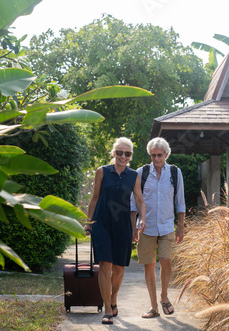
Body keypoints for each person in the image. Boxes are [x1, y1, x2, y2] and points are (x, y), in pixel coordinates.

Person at [84, 137, 146, 325]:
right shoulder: (102, 171)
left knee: (119, 268)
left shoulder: (134, 175)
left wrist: (142, 219)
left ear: (131, 156)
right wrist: (89, 223)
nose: (123, 156)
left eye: (127, 153)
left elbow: (140, 200)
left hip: (122, 226)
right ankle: (107, 309)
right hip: (102, 223)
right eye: (119, 152)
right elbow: (94, 199)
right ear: (113, 153)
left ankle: (113, 298)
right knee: (105, 265)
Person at [130, 137, 186, 318]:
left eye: (159, 155)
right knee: (148, 265)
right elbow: (134, 203)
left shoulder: (175, 173)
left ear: (166, 154)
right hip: (146, 227)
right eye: (153, 155)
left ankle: (164, 296)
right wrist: (133, 227)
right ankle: (154, 307)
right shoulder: (141, 173)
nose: (156, 159)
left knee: (166, 260)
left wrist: (181, 227)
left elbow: (180, 202)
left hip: (167, 226)